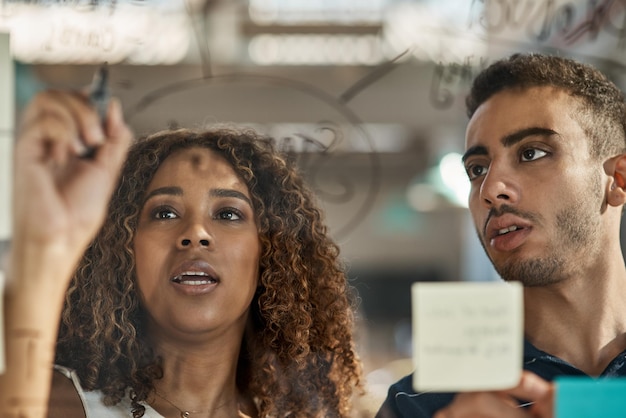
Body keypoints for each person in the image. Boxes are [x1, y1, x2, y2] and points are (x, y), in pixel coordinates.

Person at [0, 89, 363, 418]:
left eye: (228, 214)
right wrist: (44, 248)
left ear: (268, 253)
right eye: (165, 213)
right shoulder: (56, 402)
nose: (196, 234)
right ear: (122, 249)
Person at [377, 52, 626, 418]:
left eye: (532, 153)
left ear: (618, 180)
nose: (491, 189)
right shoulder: (421, 404)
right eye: (477, 169)